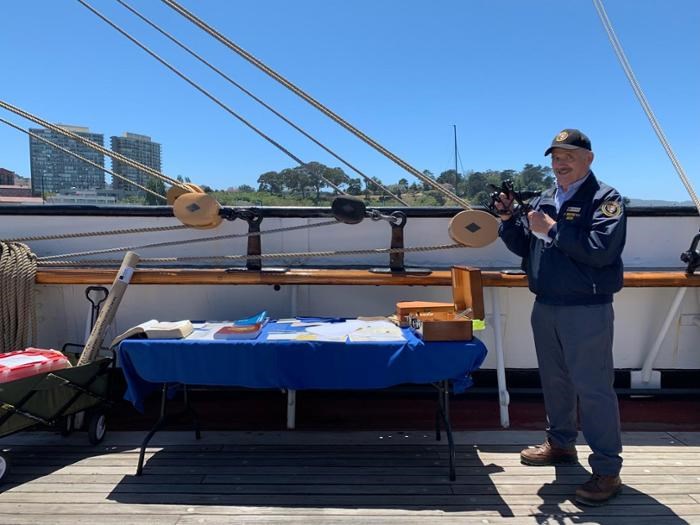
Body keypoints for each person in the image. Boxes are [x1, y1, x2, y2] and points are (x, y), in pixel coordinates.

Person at [495, 128, 627, 506]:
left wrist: (552, 230)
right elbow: (524, 244)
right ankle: (561, 443)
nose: (560, 163)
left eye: (569, 155)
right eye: (555, 157)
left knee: (594, 389)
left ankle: (606, 470)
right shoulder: (545, 197)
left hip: (586, 308)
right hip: (546, 304)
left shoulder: (607, 200)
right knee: (555, 382)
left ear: (588, 159)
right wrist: (507, 220)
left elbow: (600, 250)